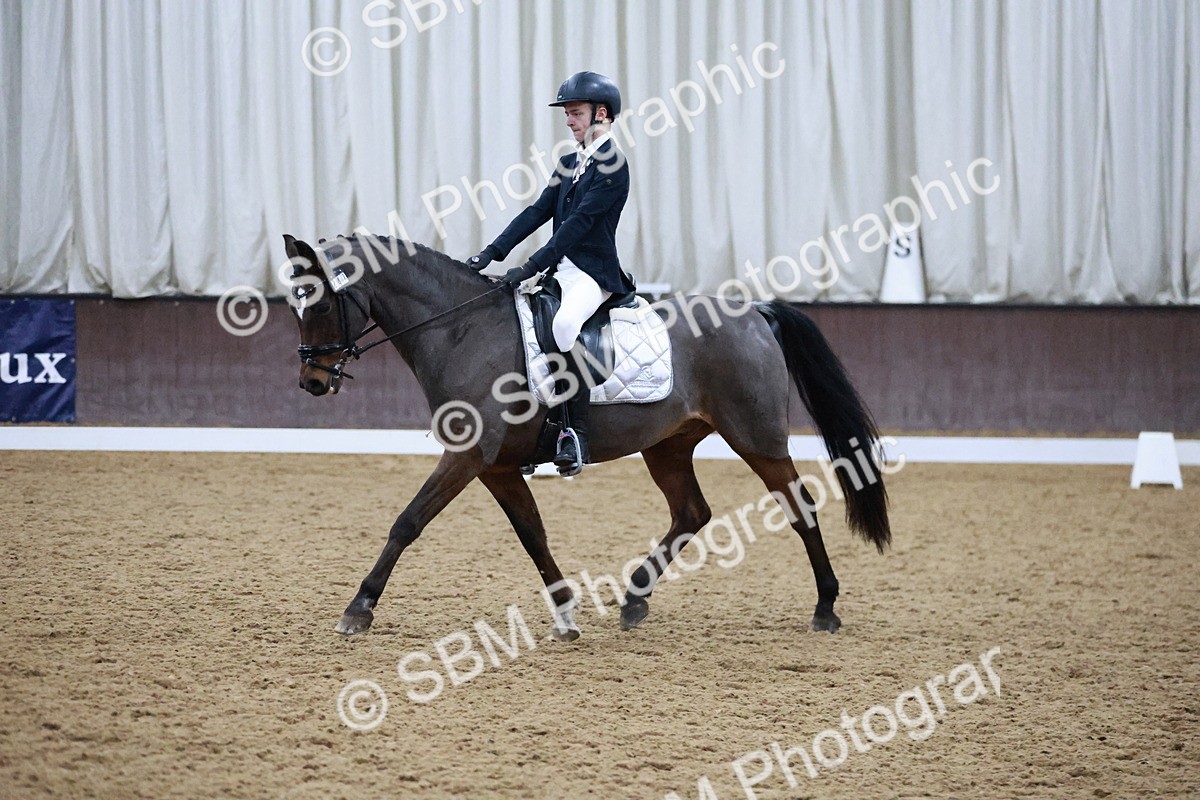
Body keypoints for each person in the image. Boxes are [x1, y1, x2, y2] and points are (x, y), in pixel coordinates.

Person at [468, 71, 635, 476]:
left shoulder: (613, 166)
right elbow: (538, 211)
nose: (569, 121)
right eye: (567, 114)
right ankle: (532, 431)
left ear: (602, 114)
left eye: (575, 113)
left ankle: (574, 433)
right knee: (520, 326)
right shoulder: (570, 162)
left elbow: (577, 224)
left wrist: (530, 266)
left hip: (593, 275)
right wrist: (491, 252)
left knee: (563, 327)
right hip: (560, 272)